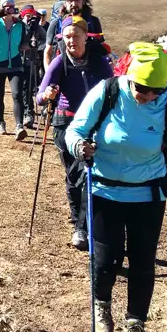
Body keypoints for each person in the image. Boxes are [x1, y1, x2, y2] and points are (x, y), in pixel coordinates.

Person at [65, 43, 167, 332]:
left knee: (142, 262)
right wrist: (80, 147)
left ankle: (135, 325)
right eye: (142, 88)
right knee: (107, 258)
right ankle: (102, 306)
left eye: (155, 90)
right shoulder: (107, 92)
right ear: (130, 77)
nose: (148, 95)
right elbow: (74, 131)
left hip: (148, 195)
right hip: (104, 189)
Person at [36, 15, 113, 250]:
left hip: (94, 127)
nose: (71, 41)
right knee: (75, 176)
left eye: (75, 36)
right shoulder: (59, 62)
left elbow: (114, 90)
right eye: (67, 37)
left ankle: (82, 227)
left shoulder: (100, 62)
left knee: (86, 174)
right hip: (64, 126)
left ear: (86, 37)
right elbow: (39, 98)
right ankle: (79, 221)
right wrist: (46, 95)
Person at [0, 0, 29, 139]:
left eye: (11, 6)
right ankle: (1, 122)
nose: (9, 8)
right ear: (2, 8)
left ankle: (19, 126)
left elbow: (24, 43)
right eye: (6, 6)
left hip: (15, 63)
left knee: (17, 94)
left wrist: (28, 45)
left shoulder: (19, 25)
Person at [44, 0, 103, 70]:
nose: (74, 4)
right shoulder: (56, 24)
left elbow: (101, 47)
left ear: (83, 1)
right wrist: (49, 73)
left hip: (91, 71)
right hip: (63, 73)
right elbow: (48, 52)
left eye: (77, 0)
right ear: (65, 3)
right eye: (70, 1)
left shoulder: (94, 22)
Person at [20, 5, 47, 128]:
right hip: (18, 61)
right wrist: (21, 47)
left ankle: (29, 113)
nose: (29, 17)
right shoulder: (18, 27)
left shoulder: (38, 28)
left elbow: (46, 41)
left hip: (32, 62)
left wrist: (35, 47)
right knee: (20, 89)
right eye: (27, 15)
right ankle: (23, 112)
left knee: (29, 88)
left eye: (31, 15)